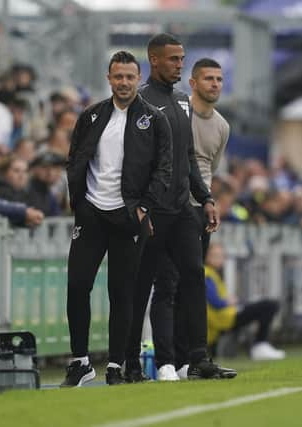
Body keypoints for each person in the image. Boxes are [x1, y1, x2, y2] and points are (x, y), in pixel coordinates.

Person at [126, 34, 236, 382]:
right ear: (154, 60)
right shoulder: (140, 100)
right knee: (146, 286)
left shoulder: (181, 102)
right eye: (173, 59)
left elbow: (188, 158)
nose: (179, 64)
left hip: (183, 209)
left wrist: (206, 198)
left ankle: (198, 358)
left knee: (193, 279)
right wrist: (136, 205)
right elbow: (130, 160)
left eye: (181, 58)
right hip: (151, 210)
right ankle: (144, 362)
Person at [61, 50, 172, 387]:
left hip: (127, 216)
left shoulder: (154, 120)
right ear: (108, 79)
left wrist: (144, 207)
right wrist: (78, 201)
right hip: (92, 213)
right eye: (118, 76)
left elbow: (163, 169)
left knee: (121, 293)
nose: (123, 82)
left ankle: (115, 365)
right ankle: (80, 362)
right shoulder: (92, 115)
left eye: (129, 76)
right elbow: (74, 159)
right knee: (77, 285)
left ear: (138, 79)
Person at [204, 242, 285, 360]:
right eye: (214, 255)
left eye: (221, 256)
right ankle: (260, 345)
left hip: (226, 316)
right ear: (206, 256)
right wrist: (229, 301)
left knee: (267, 306)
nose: (219, 259)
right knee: (270, 305)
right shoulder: (206, 273)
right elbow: (216, 303)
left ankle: (260, 345)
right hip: (225, 318)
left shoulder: (212, 273)